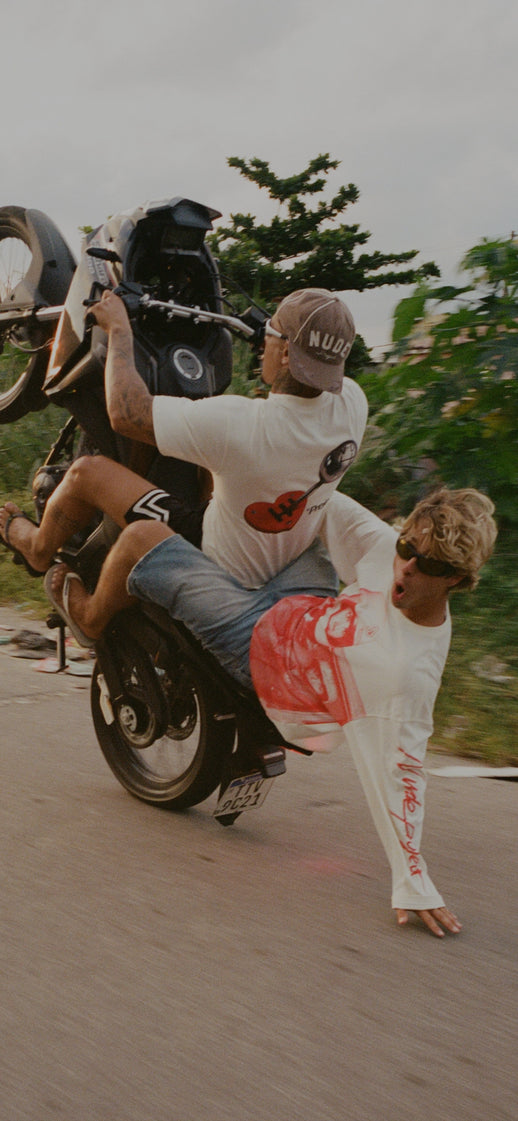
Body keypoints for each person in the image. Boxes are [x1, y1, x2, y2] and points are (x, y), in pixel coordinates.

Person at [26, 485, 496, 938]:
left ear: (455, 578)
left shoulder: (406, 673)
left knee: (142, 539)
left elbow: (399, 773)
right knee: (299, 515)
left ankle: (89, 618)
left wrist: (413, 881)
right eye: (407, 547)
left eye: (427, 563)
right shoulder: (391, 558)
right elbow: (322, 500)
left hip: (260, 650)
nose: (407, 567)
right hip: (302, 605)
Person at [0, 288, 367, 598]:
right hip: (270, 556)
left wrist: (119, 330)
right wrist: (275, 337)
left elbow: (127, 414)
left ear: (285, 353)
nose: (263, 340)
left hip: (209, 556)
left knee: (87, 472)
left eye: (270, 331)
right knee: (206, 454)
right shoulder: (352, 403)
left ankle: (37, 548)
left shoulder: (242, 424)